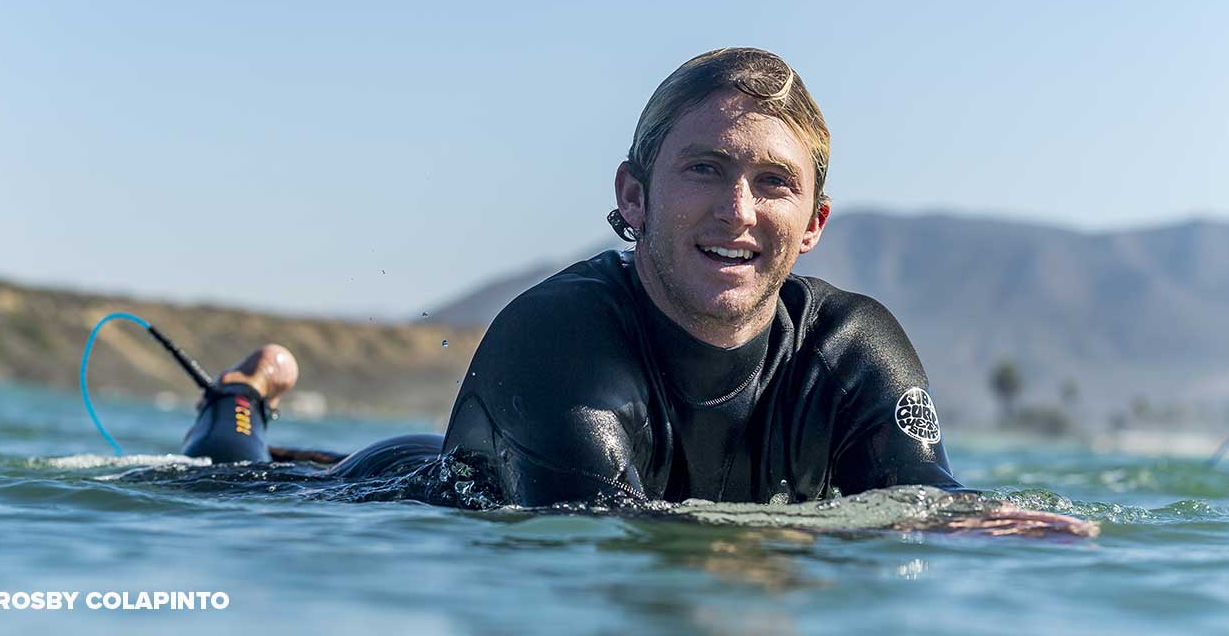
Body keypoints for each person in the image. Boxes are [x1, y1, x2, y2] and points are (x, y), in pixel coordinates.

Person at [182, 48, 1084, 533]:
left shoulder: (852, 348)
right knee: (230, 475)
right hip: (398, 491)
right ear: (633, 194)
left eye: (774, 182)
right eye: (705, 168)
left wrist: (982, 526)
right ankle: (243, 396)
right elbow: (612, 534)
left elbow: (927, 500)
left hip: (529, 451)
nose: (738, 208)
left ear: (813, 224)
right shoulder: (559, 334)